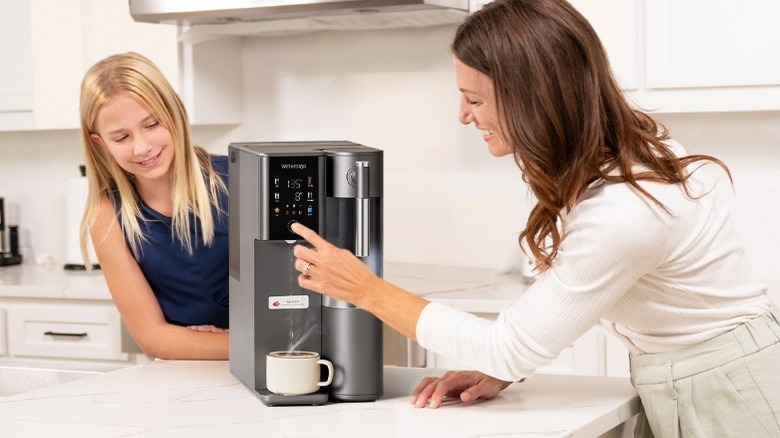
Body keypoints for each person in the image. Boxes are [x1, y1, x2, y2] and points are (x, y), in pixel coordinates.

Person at [290, 0, 780, 436]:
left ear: (534, 96)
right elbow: (576, 303)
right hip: (698, 375)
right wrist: (502, 369)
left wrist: (363, 288)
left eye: (475, 99)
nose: (463, 115)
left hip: (729, 389)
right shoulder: (613, 164)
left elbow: (508, 344)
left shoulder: (627, 207)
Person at [78, 52, 229, 360]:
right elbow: (153, 339)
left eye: (152, 124)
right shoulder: (107, 216)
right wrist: (246, 343)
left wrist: (221, 342)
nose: (142, 147)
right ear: (99, 143)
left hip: (271, 366)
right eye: (120, 137)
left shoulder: (240, 179)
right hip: (183, 375)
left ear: (174, 112)